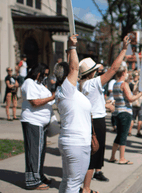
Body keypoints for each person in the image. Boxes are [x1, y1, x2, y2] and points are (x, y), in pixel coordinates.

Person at [79, 35, 131, 193]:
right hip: (96, 122)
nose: (98, 72)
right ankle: (86, 189)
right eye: (96, 70)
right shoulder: (92, 82)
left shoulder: (83, 84)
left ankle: (86, 186)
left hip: (91, 118)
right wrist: (123, 49)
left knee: (92, 156)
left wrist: (105, 104)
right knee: (93, 157)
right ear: (92, 72)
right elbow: (113, 69)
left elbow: (91, 102)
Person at [54, 34, 92, 193]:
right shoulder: (67, 90)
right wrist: (72, 47)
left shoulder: (65, 91)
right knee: (74, 184)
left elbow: (72, 67)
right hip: (76, 143)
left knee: (68, 180)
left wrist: (70, 50)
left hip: (71, 141)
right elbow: (74, 67)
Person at [20, 63, 54, 190]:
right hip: (33, 121)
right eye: (44, 74)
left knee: (40, 151)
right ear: (37, 72)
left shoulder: (39, 85)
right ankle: (32, 180)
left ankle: (39, 175)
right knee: (34, 151)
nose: (45, 77)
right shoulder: (29, 82)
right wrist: (52, 96)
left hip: (41, 122)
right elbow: (34, 102)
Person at [109, 65, 142, 165]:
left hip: (117, 112)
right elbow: (130, 98)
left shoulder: (115, 84)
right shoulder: (124, 84)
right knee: (123, 135)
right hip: (125, 112)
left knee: (119, 135)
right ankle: (122, 158)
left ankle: (112, 156)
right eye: (126, 72)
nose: (127, 73)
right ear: (123, 73)